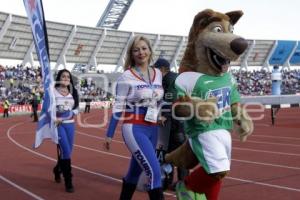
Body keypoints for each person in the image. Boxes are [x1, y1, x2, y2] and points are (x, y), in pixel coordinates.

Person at [103, 35, 165, 200]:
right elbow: (118, 107)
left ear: (150, 51)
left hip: (153, 128)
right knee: (154, 172)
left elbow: (158, 98)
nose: (141, 52)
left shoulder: (158, 73)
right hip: (134, 127)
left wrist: (159, 113)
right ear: (131, 54)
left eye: (144, 48)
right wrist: (109, 135)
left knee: (134, 172)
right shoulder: (126, 76)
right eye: (136, 49)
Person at [153, 58, 189, 190]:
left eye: (156, 69)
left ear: (163, 69)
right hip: (174, 123)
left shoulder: (171, 80)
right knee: (168, 153)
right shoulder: (168, 79)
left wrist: (162, 116)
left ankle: (180, 182)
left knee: (175, 153)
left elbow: (171, 102)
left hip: (175, 124)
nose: (154, 71)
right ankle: (171, 181)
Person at [52, 69, 79, 193]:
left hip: (70, 125)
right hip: (58, 126)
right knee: (66, 152)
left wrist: (68, 114)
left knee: (67, 153)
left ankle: (57, 169)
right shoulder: (52, 92)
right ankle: (68, 181)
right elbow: (47, 109)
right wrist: (55, 118)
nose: (66, 78)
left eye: (68, 77)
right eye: (63, 76)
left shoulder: (74, 91)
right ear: (59, 77)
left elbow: (77, 109)